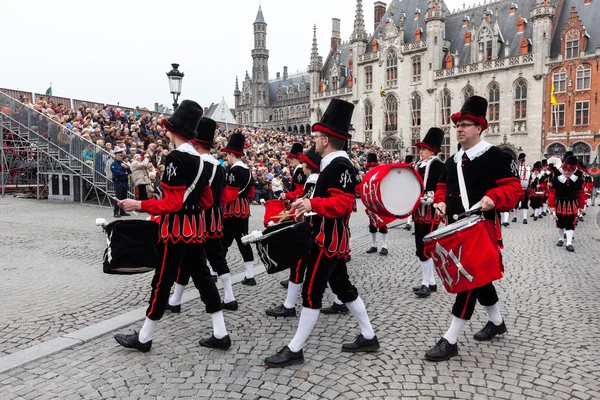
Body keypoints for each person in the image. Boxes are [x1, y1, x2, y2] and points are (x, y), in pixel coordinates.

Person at [264, 98, 379, 368]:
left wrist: (312, 203)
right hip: (327, 239)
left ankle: (295, 349)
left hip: (326, 241)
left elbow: (342, 204)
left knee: (312, 292)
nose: (313, 141)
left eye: (317, 136)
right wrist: (306, 206)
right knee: (343, 287)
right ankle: (369, 336)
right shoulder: (332, 165)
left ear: (326, 139)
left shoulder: (340, 166)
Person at [113, 100, 231, 352]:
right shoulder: (201, 161)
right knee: (203, 279)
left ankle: (144, 337)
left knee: (162, 281)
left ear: (174, 130)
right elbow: (208, 199)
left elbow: (173, 203)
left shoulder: (176, 157)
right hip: (196, 230)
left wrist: (139, 205)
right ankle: (220, 332)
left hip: (176, 231)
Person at [425, 95, 522, 362]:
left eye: (465, 124)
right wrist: (440, 201)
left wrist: (494, 197)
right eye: (457, 124)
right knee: (479, 277)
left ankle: (451, 339)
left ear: (479, 128)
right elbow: (443, 186)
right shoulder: (453, 160)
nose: (459, 128)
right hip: (456, 227)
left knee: (469, 280)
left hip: (481, 227)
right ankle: (497, 323)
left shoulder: (494, 156)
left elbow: (513, 189)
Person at [165, 117, 239, 312]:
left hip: (195, 218)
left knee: (187, 261)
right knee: (216, 258)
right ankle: (229, 296)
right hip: (214, 217)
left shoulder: (196, 162)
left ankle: (175, 300)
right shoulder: (221, 167)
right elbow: (222, 197)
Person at [265, 144, 325, 318]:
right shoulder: (316, 178)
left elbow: (308, 205)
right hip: (320, 230)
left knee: (298, 265)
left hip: (312, 229)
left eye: (304, 164)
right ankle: (339, 302)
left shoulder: (312, 180)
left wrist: (295, 214)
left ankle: (289, 306)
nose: (302, 167)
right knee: (333, 270)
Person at [411, 128, 446, 298]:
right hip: (419, 209)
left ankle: (426, 283)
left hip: (431, 211)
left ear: (432, 149)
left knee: (426, 245)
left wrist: (432, 199)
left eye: (424, 149)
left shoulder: (438, 165)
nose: (421, 151)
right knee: (420, 244)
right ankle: (430, 282)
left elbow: (442, 187)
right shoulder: (419, 165)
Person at [220, 132, 257, 285]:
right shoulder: (247, 170)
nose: (226, 158)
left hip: (232, 210)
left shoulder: (234, 170)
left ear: (231, 154)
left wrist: (218, 202)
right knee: (244, 241)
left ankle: (216, 271)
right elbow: (251, 193)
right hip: (243, 210)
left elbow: (230, 195)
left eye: (227, 154)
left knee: (223, 242)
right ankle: (250, 275)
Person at [549, 156, 587, 252]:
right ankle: (561, 238)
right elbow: (552, 193)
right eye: (565, 170)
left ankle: (569, 243)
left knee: (571, 223)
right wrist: (552, 206)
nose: (567, 172)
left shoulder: (578, 180)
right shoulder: (556, 180)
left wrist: (581, 206)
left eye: (569, 171)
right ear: (563, 170)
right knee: (560, 222)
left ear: (572, 171)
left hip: (572, 203)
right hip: (559, 204)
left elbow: (581, 194)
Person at [362, 153, 395, 256]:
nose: (371, 168)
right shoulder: (367, 175)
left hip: (379, 203)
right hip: (371, 204)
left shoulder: (380, 173)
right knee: (372, 225)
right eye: (370, 166)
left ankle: (384, 246)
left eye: (372, 166)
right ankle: (374, 245)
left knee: (382, 223)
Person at [111, 146, 131, 218]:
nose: (121, 157)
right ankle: (116, 212)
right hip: (118, 183)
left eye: (121, 156)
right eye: (119, 156)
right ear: (116, 156)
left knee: (124, 197)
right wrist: (124, 171)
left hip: (125, 182)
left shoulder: (123, 163)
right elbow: (116, 172)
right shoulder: (114, 164)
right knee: (118, 198)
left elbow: (130, 171)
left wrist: (126, 168)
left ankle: (122, 211)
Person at [512, 153, 531, 224]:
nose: (521, 161)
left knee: (525, 203)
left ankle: (525, 218)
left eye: (522, 160)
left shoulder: (528, 168)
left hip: (525, 188)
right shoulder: (517, 168)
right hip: (517, 188)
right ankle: (515, 216)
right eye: (520, 160)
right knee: (515, 203)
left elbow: (530, 178)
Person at [403, 154, 415, 231]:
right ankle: (408, 223)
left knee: (410, 207)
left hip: (409, 189)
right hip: (412, 189)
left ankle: (408, 223)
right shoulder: (413, 168)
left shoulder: (404, 168)